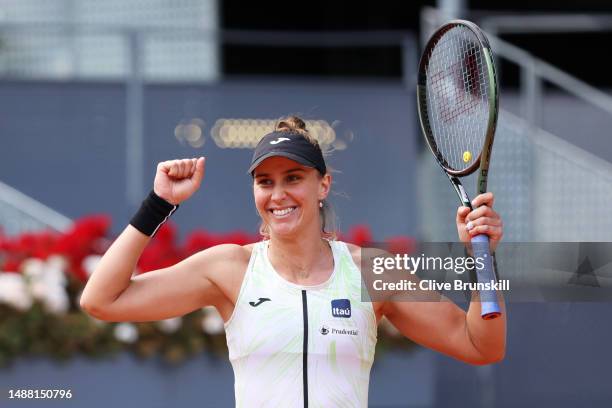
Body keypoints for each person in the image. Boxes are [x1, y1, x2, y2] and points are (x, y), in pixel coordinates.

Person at [80, 116, 506, 407]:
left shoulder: (371, 271)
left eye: (293, 178)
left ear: (323, 185)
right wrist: (159, 205)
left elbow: (481, 346)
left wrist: (481, 261)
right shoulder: (231, 269)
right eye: (265, 182)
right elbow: (102, 300)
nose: (277, 195)